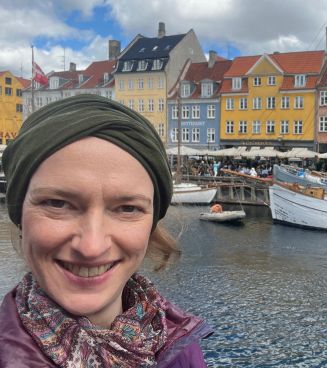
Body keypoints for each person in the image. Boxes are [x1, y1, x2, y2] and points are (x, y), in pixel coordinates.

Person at [0, 95, 212, 367]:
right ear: (20, 217)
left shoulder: (178, 343)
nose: (91, 246)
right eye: (57, 203)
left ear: (151, 226)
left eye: (127, 208)